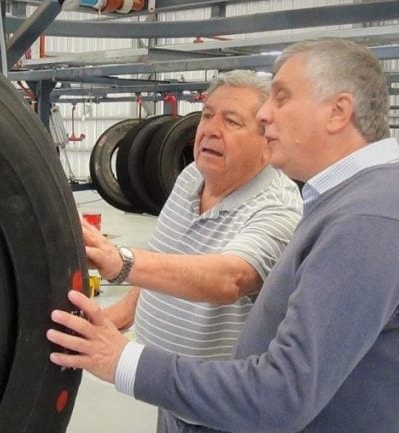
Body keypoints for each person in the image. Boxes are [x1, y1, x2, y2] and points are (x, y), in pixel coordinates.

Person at [48, 38, 399, 433]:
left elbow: (280, 395)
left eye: (280, 97)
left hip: (226, 410)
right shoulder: (344, 200)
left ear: (337, 112)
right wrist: (119, 319)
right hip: (193, 400)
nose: (266, 115)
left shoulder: (367, 219)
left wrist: (123, 361)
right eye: (207, 115)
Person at [88, 69, 301, 363]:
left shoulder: (279, 207)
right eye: (207, 115)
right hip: (163, 381)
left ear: (268, 141)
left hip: (217, 396)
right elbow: (165, 256)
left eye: (231, 121)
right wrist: (124, 312)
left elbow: (230, 279)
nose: (210, 130)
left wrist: (121, 262)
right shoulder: (191, 176)